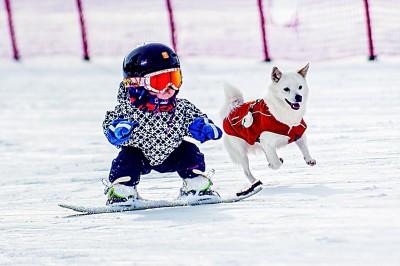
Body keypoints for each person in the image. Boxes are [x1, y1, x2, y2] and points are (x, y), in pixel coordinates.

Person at [102, 43, 223, 206]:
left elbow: (195, 117)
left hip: (172, 153)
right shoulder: (128, 111)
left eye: (174, 79)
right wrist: (116, 131)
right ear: (137, 84)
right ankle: (122, 190)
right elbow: (110, 124)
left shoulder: (181, 108)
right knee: (127, 158)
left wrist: (203, 127)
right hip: (141, 156)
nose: (169, 88)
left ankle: (195, 184)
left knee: (190, 151)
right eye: (160, 81)